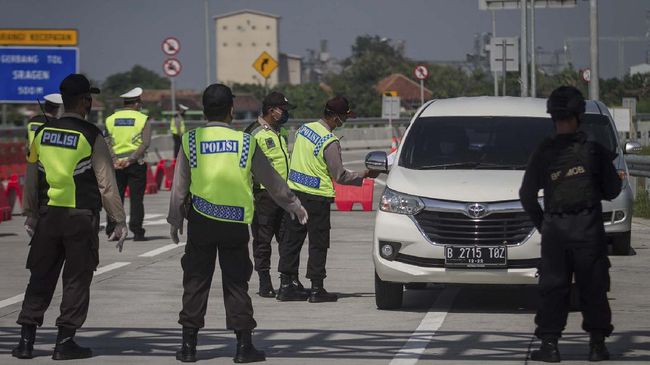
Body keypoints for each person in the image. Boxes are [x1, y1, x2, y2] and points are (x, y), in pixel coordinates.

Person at [167, 84, 308, 363]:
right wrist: (294, 204)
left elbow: (179, 186)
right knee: (236, 283)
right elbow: (272, 180)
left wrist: (175, 220)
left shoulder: (191, 139)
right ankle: (244, 347)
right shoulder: (245, 142)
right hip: (233, 224)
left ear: (204, 109)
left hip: (201, 221)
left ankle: (188, 347)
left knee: (195, 281)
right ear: (232, 110)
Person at [12, 74, 127, 360]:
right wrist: (119, 219)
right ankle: (64, 342)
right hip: (80, 218)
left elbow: (31, 179)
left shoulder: (42, 133)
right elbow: (106, 182)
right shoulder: (91, 134)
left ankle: (26, 341)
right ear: (85, 101)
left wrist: (30, 214)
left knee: (40, 277)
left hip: (48, 217)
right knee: (76, 280)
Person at [519, 86, 622, 362]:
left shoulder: (544, 152)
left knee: (553, 288)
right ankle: (597, 346)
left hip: (555, 231)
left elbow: (526, 195)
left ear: (553, 116)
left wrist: (545, 225)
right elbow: (613, 191)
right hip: (589, 230)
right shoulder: (595, 151)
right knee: (594, 288)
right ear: (580, 115)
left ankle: (550, 347)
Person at [277, 96, 381, 303]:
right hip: (316, 198)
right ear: (335, 117)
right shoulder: (329, 142)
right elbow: (340, 175)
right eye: (344, 117)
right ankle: (317, 289)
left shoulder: (304, 130)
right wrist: (365, 174)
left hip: (295, 194)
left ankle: (286, 285)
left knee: (292, 240)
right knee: (318, 243)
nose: (345, 121)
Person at [244, 91, 294, 298]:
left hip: (284, 195)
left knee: (287, 239)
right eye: (283, 110)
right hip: (263, 196)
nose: (286, 114)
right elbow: (245, 166)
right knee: (263, 241)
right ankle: (264, 282)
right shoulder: (253, 133)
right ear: (272, 111)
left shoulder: (280, 132)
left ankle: (287, 281)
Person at [104, 87, 152, 241]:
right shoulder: (143, 119)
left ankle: (112, 229)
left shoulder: (110, 119)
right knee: (137, 199)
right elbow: (145, 143)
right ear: (136, 103)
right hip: (136, 163)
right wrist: (130, 159)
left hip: (116, 165)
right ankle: (137, 231)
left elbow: (107, 141)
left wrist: (114, 160)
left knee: (115, 198)